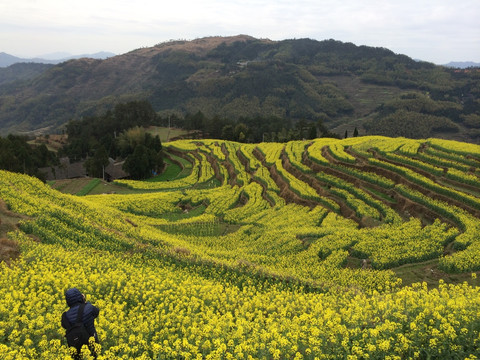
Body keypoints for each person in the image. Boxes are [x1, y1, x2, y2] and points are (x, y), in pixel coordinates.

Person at [61, 288, 100, 358]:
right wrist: (84, 302)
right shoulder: (88, 308)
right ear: (80, 297)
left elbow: (64, 325)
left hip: (75, 349)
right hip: (92, 346)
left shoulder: (65, 316)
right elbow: (96, 312)